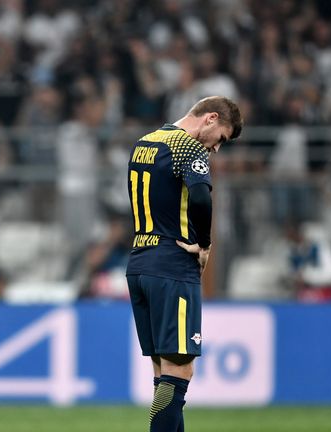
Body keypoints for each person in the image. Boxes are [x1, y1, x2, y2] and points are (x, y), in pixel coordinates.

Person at [125, 96, 241, 432]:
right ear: (210, 118)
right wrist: (204, 245)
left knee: (164, 374)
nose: (216, 149)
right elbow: (202, 197)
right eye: (221, 138)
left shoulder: (144, 143)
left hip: (140, 263)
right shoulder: (188, 148)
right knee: (180, 372)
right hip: (172, 266)